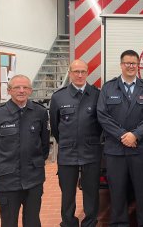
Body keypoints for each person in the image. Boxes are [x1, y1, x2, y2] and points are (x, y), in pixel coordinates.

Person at [97, 49, 143, 226]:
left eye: (134, 63)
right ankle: (119, 223)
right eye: (127, 63)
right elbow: (102, 115)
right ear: (121, 65)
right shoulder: (108, 88)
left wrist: (135, 135)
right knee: (117, 191)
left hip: (139, 148)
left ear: (138, 66)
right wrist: (123, 135)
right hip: (115, 150)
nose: (131, 66)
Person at [0, 74, 50, 227]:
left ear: (30, 90)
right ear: (9, 91)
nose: (21, 91)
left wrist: (35, 165)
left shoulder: (40, 112)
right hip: (7, 181)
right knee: (8, 222)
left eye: (25, 87)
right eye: (17, 87)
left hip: (33, 180)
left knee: (33, 222)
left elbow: (44, 146)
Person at [49, 59, 102, 227]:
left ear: (87, 73)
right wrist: (67, 141)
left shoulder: (96, 94)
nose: (80, 75)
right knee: (67, 193)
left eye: (83, 72)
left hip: (91, 151)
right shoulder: (58, 97)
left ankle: (90, 222)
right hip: (67, 152)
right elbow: (55, 127)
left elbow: (101, 124)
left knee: (91, 192)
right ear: (70, 73)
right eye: (76, 71)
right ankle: (69, 222)